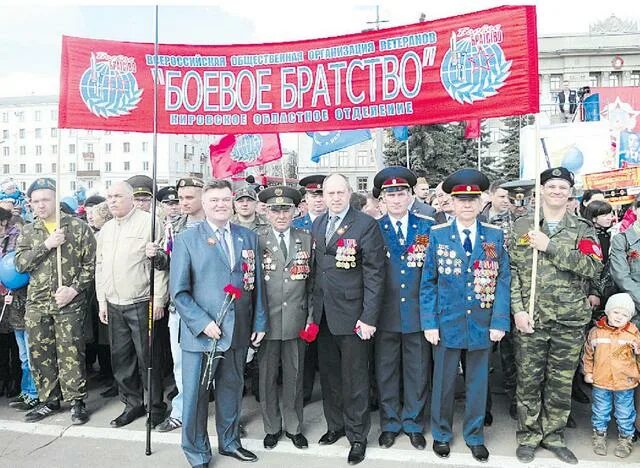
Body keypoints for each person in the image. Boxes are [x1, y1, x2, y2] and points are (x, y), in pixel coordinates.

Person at [170, 179, 267, 467]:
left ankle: (229, 442)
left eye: (226, 200)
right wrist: (202, 322)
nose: (221, 205)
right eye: (215, 201)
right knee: (196, 398)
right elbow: (179, 292)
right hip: (201, 335)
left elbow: (255, 283)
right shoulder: (188, 239)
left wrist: (259, 321)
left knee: (231, 390)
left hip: (238, 329)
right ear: (205, 203)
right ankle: (197, 451)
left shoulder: (246, 237)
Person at [510, 167, 603, 464]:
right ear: (541, 190)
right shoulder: (523, 225)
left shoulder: (582, 229)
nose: (557, 191)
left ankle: (553, 436)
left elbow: (592, 267)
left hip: (569, 318)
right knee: (528, 381)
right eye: (551, 186)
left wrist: (549, 246)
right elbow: (512, 272)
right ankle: (528, 436)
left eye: (563, 187)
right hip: (532, 318)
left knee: (560, 382)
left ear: (570, 193)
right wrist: (518, 310)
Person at [421, 168, 510, 463]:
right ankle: (442, 434)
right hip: (447, 323)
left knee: (477, 384)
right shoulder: (438, 235)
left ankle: (474, 435)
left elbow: (503, 280)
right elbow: (429, 282)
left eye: (472, 199)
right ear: (452, 203)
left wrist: (499, 321)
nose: (467, 205)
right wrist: (430, 322)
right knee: (444, 384)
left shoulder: (494, 236)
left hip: (482, 324)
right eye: (461, 199)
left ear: (481, 201)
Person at [311, 173, 385, 465]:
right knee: (329, 376)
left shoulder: (365, 224)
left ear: (349, 193)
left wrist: (369, 317)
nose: (335, 198)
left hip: (354, 316)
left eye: (340, 192)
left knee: (354, 378)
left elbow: (375, 274)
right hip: (324, 314)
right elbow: (317, 272)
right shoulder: (317, 224)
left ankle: (357, 436)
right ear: (324, 196)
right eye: (330, 193)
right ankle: (336, 426)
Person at [15, 178, 96, 425]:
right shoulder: (29, 230)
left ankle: (76, 401)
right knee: (40, 352)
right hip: (37, 303)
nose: (41, 205)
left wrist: (73, 289)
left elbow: (90, 265)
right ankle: (49, 400)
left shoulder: (77, 227)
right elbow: (20, 264)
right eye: (36, 201)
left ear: (55, 199)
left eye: (46, 199)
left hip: (68, 302)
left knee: (70, 351)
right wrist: (47, 245)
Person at [96, 181, 168, 428]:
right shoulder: (106, 229)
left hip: (141, 301)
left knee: (149, 358)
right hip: (114, 303)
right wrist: (101, 301)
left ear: (131, 198)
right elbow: (100, 266)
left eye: (117, 196)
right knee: (121, 359)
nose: (112, 201)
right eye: (109, 197)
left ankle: (156, 406)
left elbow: (160, 265)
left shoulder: (148, 222)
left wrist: (159, 299)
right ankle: (132, 404)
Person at [373, 167, 434, 450]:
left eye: (401, 194)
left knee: (417, 371)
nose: (396, 200)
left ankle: (413, 423)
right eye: (390, 195)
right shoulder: (374, 227)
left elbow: (431, 273)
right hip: (384, 314)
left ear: (410, 196)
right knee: (386, 372)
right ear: (382, 199)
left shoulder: (426, 227)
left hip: (417, 314)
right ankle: (389, 423)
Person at [256, 186, 313, 450]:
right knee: (266, 378)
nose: (281, 215)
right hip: (266, 322)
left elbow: (313, 285)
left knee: (295, 376)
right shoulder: (257, 239)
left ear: (295, 211)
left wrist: (310, 318)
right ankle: (271, 427)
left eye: (286, 209)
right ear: (267, 212)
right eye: (275, 210)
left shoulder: (307, 238)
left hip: (296, 320)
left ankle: (294, 426)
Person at [149, 177, 206, 433]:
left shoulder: (217, 223)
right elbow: (167, 263)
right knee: (181, 363)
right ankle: (182, 412)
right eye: (181, 198)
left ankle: (229, 417)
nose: (183, 203)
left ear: (202, 197)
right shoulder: (174, 226)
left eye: (189, 197)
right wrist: (156, 255)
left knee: (222, 366)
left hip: (213, 306)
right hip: (181, 306)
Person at [583, 293, 639, 458]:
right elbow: (588, 354)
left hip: (625, 382)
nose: (619, 317)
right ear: (607, 312)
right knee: (600, 410)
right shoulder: (596, 332)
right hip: (601, 380)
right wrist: (588, 372)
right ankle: (599, 435)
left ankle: (626, 438)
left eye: (624, 314)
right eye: (616, 312)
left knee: (625, 411)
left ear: (629, 317)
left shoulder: (634, 334)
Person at [292, 174, 327, 405]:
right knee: (303, 351)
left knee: (328, 349)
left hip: (328, 295)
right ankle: (302, 393)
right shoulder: (296, 225)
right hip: (302, 294)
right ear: (305, 198)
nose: (318, 200)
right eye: (313, 195)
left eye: (321, 195)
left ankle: (329, 394)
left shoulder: (336, 223)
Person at [609, 194, 640, 439]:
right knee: (630, 371)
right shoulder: (622, 240)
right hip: (632, 314)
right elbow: (622, 277)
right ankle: (631, 425)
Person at [1, 208, 35, 410]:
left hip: (26, 304)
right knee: (24, 355)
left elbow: (18, 271)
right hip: (13, 308)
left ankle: (34, 392)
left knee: (31, 355)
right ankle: (26, 390)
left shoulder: (18, 244)